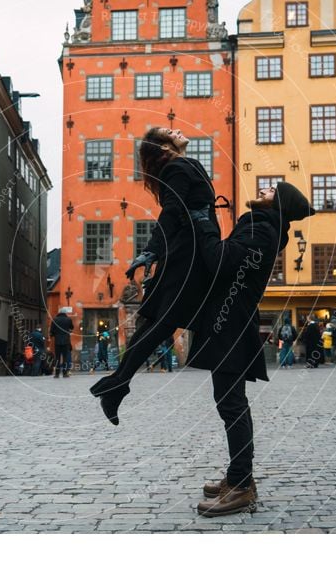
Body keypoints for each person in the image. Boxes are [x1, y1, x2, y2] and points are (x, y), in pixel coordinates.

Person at [183, 181, 315, 517]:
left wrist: (202, 222)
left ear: (278, 204)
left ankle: (241, 485)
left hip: (232, 326)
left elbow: (221, 260)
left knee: (232, 405)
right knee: (230, 403)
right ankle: (238, 477)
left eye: (273, 190)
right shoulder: (260, 227)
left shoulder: (262, 231)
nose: (266, 188)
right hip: (231, 323)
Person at [89, 127, 220, 421]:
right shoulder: (177, 167)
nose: (177, 129)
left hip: (186, 249)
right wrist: (152, 249)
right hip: (190, 252)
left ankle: (117, 385)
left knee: (155, 321)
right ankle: (116, 385)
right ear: (164, 147)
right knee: (163, 322)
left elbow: (177, 209)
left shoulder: (182, 165)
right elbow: (172, 211)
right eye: (168, 131)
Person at [50, 308, 74, 378]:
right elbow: (71, 327)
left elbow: (52, 331)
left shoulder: (55, 319)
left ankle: (57, 374)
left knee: (57, 357)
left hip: (57, 341)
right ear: (65, 313)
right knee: (65, 358)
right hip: (66, 341)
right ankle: (65, 373)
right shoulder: (68, 319)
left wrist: (55, 335)